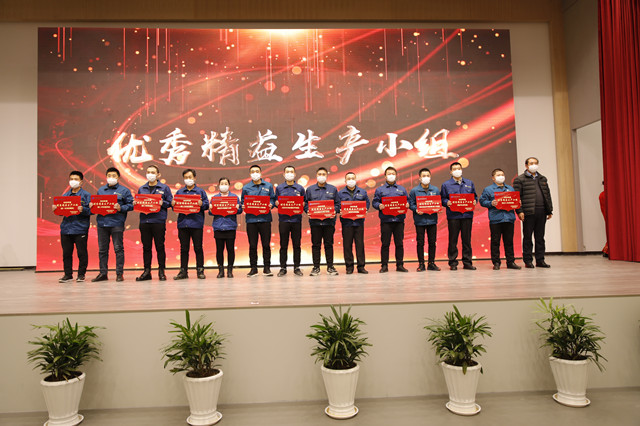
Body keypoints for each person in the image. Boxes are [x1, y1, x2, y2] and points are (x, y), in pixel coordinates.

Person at [91, 167, 133, 282]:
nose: (111, 178)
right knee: (102, 250)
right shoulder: (101, 190)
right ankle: (103, 273)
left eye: (114, 176)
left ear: (118, 178)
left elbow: (131, 205)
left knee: (118, 249)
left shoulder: (124, 190)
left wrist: (121, 208)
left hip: (116, 223)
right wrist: (92, 206)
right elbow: (97, 205)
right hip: (102, 223)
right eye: (109, 176)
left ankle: (119, 273)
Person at [513, 157, 553, 268]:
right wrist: (519, 211)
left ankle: (540, 260)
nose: (533, 165)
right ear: (526, 165)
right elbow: (516, 197)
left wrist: (549, 210)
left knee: (540, 237)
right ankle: (528, 261)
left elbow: (547, 195)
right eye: (531, 163)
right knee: (527, 237)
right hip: (528, 212)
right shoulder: (520, 179)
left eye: (535, 163)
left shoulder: (542, 178)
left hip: (542, 211)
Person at [135, 165, 173, 281]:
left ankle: (161, 271)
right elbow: (139, 202)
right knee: (146, 247)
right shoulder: (142, 188)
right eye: (148, 172)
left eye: (153, 172)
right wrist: (136, 203)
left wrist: (163, 203)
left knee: (160, 247)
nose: (150, 174)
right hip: (145, 221)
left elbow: (170, 203)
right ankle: (147, 271)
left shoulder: (164, 188)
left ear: (158, 175)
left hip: (158, 221)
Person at [479, 169, 521, 270]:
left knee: (509, 242)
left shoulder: (510, 188)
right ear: (493, 178)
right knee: (495, 242)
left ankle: (510, 262)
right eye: (498, 175)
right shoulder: (488, 189)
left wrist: (517, 203)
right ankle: (496, 262)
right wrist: (491, 203)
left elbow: (515, 201)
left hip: (509, 218)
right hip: (496, 219)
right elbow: (482, 201)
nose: (501, 176)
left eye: (502, 174)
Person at [54, 171, 92, 283]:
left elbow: (92, 211)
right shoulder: (65, 196)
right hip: (66, 229)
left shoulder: (86, 195)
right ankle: (68, 275)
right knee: (66, 253)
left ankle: (81, 274)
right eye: (71, 179)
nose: (73, 181)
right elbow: (62, 212)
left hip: (80, 229)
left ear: (81, 182)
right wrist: (56, 209)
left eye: (76, 179)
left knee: (81, 253)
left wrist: (83, 209)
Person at [173, 169, 209, 280]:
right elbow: (176, 207)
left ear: (195, 178)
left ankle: (200, 270)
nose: (188, 179)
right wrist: (173, 204)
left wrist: (202, 204)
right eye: (186, 177)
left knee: (198, 248)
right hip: (183, 224)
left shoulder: (200, 191)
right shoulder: (179, 192)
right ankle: (183, 271)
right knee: (184, 249)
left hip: (196, 224)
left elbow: (207, 205)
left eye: (190, 177)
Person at [440, 162, 477, 270]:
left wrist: (474, 201)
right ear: (451, 172)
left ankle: (467, 262)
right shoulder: (446, 185)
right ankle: (453, 263)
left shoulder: (469, 183)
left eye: (459, 168)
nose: (457, 170)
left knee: (467, 240)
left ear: (461, 170)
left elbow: (475, 196)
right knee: (453, 240)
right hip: (453, 216)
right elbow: (442, 199)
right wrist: (447, 202)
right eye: (454, 169)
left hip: (467, 215)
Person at [372, 166, 410, 273]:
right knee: (385, 244)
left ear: (396, 175)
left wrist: (407, 204)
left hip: (399, 220)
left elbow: (408, 201)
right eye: (389, 174)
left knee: (399, 244)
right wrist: (379, 205)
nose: (391, 175)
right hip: (386, 221)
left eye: (393, 174)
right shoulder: (380, 190)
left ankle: (400, 265)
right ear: (385, 176)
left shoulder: (402, 189)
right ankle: (384, 266)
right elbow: (374, 202)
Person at [241, 164, 276, 277]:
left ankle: (267, 268)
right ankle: (253, 268)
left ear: (261, 173)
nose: (255, 173)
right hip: (251, 220)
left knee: (266, 245)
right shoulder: (246, 188)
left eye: (257, 171)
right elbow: (243, 201)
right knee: (252, 245)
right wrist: (243, 206)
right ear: (250, 174)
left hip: (265, 219)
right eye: (253, 171)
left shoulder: (268, 186)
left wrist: (271, 204)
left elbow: (273, 199)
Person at [305, 167, 340, 276]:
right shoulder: (310, 189)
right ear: (316, 176)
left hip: (329, 222)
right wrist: (307, 210)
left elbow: (338, 204)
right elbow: (306, 204)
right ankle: (316, 267)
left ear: (326, 176)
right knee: (316, 245)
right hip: (315, 222)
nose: (321, 176)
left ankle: (330, 267)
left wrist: (334, 210)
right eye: (319, 174)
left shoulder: (333, 189)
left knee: (329, 244)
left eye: (323, 174)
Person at [408, 167, 441, 272]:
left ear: (430, 177)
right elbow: (411, 204)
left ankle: (431, 263)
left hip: (432, 220)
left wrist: (438, 208)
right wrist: (416, 209)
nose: (426, 177)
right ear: (419, 178)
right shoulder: (414, 191)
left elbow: (438, 203)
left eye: (427, 176)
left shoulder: (435, 190)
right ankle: (421, 264)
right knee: (420, 242)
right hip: (420, 220)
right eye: (424, 176)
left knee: (432, 242)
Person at [275, 165, 305, 277]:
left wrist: (303, 204)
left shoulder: (300, 188)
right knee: (283, 245)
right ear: (284, 174)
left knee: (297, 245)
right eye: (287, 172)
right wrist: (276, 203)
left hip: (296, 220)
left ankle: (297, 267)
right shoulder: (279, 188)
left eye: (291, 172)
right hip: (283, 220)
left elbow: (305, 201)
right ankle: (283, 268)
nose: (289, 174)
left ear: (295, 174)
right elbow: (275, 201)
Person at [209, 177, 242, 278]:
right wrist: (210, 209)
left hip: (230, 226)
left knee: (230, 249)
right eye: (222, 183)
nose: (224, 185)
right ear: (218, 186)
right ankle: (221, 271)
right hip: (218, 226)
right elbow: (211, 212)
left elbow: (240, 210)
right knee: (219, 250)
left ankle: (230, 270)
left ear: (229, 185)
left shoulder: (234, 197)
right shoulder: (214, 198)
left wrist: (238, 208)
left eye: (225, 183)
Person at [337, 172, 370, 274]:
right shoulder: (340, 193)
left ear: (355, 180)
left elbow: (367, 203)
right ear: (345, 181)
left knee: (360, 245)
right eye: (349, 178)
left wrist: (365, 209)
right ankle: (349, 267)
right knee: (347, 245)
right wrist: (339, 210)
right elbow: (337, 205)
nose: (351, 180)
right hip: (346, 223)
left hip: (359, 223)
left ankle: (361, 266)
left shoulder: (362, 192)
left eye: (352, 178)